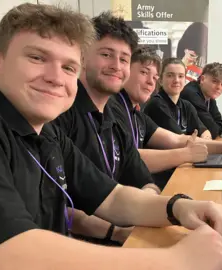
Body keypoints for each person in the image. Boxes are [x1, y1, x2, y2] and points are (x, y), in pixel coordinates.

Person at [0, 4, 222, 270]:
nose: (56, 77)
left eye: (68, 66)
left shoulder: (48, 134)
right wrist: (175, 261)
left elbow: (114, 197)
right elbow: (10, 254)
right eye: (37, 58)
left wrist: (177, 207)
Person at [52, 11, 160, 245]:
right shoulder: (59, 113)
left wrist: (147, 205)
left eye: (124, 59)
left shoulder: (115, 112)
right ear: (82, 58)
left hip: (122, 230)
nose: (116, 66)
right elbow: (57, 207)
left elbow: (143, 178)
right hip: (78, 243)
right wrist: (117, 231)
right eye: (106, 54)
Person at [109, 48, 222, 189]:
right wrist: (186, 154)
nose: (150, 82)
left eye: (154, 77)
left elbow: (177, 139)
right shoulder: (113, 108)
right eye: (144, 72)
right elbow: (128, 157)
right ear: (125, 71)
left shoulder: (136, 113)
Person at [144, 57, 212, 140]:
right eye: (170, 75)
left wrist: (205, 137)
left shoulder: (187, 106)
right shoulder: (156, 104)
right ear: (161, 80)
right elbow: (179, 139)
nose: (176, 80)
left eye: (180, 76)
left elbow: (205, 131)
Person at [180, 62, 222, 139]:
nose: (219, 87)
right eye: (215, 81)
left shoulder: (210, 97)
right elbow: (213, 130)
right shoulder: (191, 93)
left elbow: (219, 127)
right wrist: (214, 130)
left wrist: (214, 130)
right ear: (203, 79)